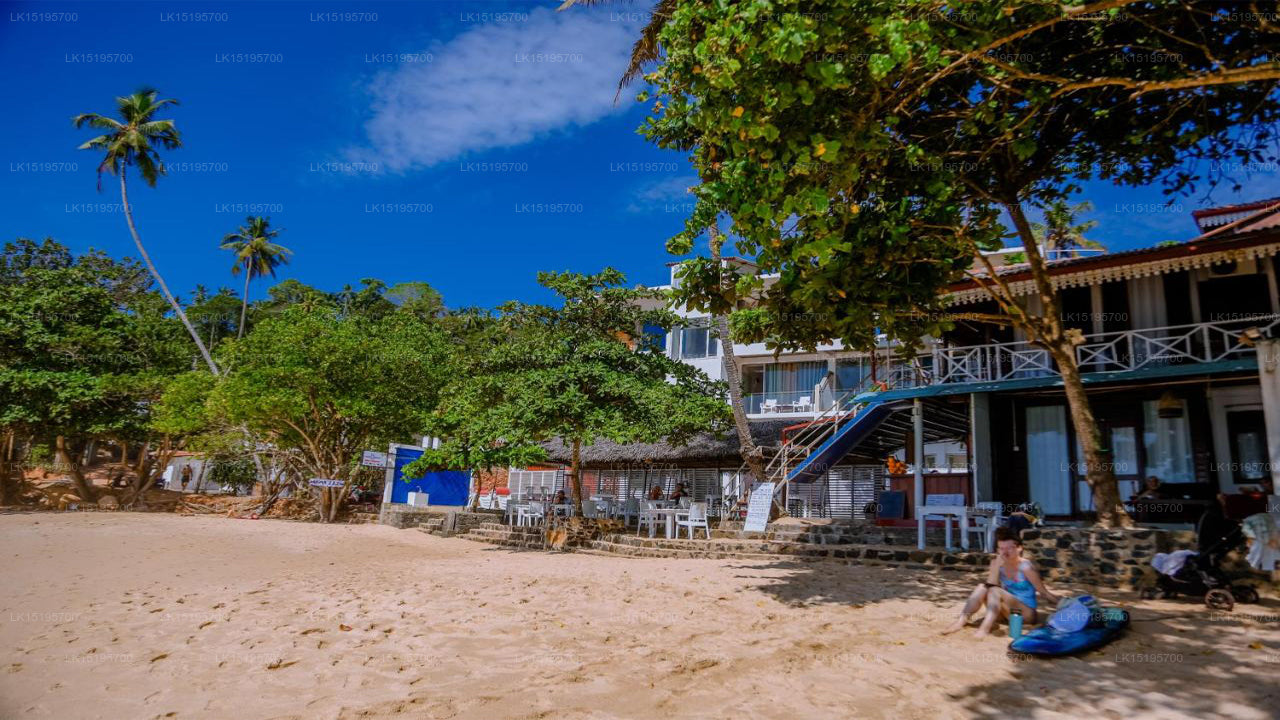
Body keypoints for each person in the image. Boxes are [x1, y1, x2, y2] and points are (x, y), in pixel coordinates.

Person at [942, 527, 1059, 638]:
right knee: (982, 587)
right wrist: (996, 566)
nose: (1005, 552)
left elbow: (1044, 592)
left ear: (1019, 548)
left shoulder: (1025, 567)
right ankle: (961, 621)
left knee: (994, 590)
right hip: (1005, 613)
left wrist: (1063, 605)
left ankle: (984, 629)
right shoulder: (997, 563)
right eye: (1002, 549)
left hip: (1025, 614)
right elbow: (990, 585)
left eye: (1009, 548)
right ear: (998, 550)